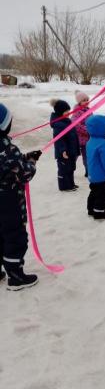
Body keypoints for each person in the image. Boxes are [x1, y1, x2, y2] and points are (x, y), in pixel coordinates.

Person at [0, 103, 41, 290]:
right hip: (8, 201)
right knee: (15, 236)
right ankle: (15, 276)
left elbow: (9, 165)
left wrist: (23, 157)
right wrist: (31, 162)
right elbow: (24, 174)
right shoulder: (7, 149)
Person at [50, 99, 80, 192]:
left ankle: (70, 184)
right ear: (60, 112)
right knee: (64, 169)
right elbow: (59, 140)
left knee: (70, 168)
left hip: (71, 150)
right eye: (66, 111)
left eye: (68, 110)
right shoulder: (58, 124)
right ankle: (64, 186)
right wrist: (62, 150)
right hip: (64, 152)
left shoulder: (67, 121)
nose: (68, 113)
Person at [71, 91, 90, 176]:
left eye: (87, 100)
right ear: (79, 102)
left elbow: (91, 122)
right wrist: (87, 130)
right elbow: (76, 125)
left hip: (87, 139)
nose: (86, 102)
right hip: (77, 139)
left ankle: (88, 171)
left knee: (87, 156)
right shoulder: (76, 112)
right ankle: (69, 170)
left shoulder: (89, 110)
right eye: (84, 100)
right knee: (74, 156)